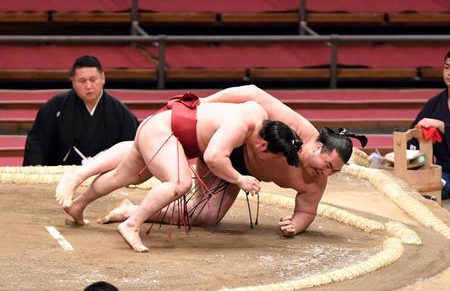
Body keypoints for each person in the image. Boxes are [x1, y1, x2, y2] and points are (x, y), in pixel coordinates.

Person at [57, 85, 363, 242]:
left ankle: (132, 211)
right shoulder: (291, 124)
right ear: (317, 145)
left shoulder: (316, 179)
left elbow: (306, 210)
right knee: (145, 154)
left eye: (332, 172)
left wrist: (296, 224)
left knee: (204, 217)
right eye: (326, 165)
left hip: (233, 170)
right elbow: (251, 94)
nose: (325, 174)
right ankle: (84, 171)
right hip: (222, 149)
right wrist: (206, 103)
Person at [22, 55, 139, 166]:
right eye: (82, 81)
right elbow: (36, 140)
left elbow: (132, 146)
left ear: (103, 78)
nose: (88, 86)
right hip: (61, 173)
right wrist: (36, 167)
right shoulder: (56, 106)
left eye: (93, 80)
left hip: (105, 176)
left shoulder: (119, 112)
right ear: (73, 81)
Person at [411, 51, 450, 200]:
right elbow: (413, 135)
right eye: (447, 67)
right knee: (410, 183)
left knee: (435, 189)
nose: (449, 73)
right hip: (441, 170)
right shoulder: (435, 104)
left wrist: (441, 125)